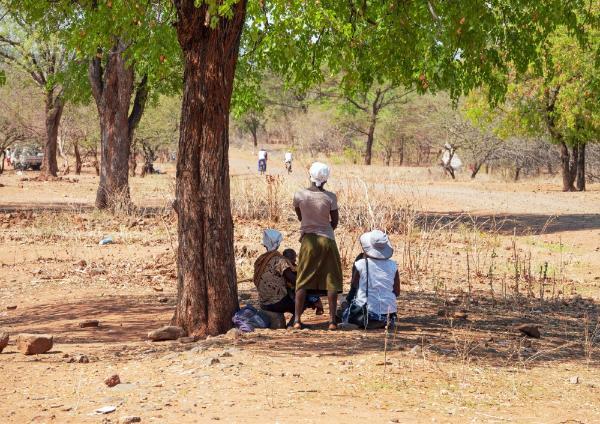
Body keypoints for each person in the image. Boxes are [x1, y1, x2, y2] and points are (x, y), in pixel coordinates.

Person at [293, 162, 343, 330]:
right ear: (326, 180)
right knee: (331, 280)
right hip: (328, 240)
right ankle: (332, 321)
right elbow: (334, 222)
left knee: (302, 279)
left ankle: (297, 320)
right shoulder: (330, 197)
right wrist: (324, 228)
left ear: (310, 176)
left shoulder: (299, 195)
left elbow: (301, 217)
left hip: (308, 241)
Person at [253, 229, 319, 318]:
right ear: (278, 243)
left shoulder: (260, 260)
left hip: (263, 302)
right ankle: (294, 323)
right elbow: (293, 280)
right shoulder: (280, 260)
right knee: (304, 298)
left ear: (265, 244)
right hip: (277, 303)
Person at [343, 230, 400, 329]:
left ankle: (362, 322)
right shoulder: (393, 265)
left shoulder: (360, 263)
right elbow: (397, 291)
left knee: (343, 306)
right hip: (388, 314)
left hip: (365, 312)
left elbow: (354, 286)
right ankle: (383, 321)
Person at [282, 248, 324, 315]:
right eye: (293, 258)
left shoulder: (293, 266)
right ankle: (317, 304)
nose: (295, 260)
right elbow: (295, 281)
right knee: (308, 292)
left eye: (294, 258)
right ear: (287, 259)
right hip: (290, 292)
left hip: (295, 288)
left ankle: (317, 304)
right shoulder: (286, 268)